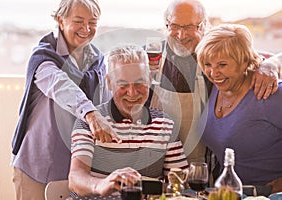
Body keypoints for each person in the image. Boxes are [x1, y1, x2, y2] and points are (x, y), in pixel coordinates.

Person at [147, 0, 279, 167]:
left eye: (189, 27)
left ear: (203, 26)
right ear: (166, 24)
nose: (181, 35)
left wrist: (272, 64)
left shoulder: (215, 53)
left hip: (202, 168)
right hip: (160, 165)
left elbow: (252, 57)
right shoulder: (153, 54)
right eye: (174, 26)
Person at [11, 0, 120, 199]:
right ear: (61, 21)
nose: (86, 29)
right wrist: (91, 114)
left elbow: (106, 99)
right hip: (38, 167)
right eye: (78, 21)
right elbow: (61, 85)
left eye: (92, 22)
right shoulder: (44, 57)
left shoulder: (97, 59)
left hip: (79, 170)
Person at [68, 44, 189, 198]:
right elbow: (75, 179)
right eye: (123, 84)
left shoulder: (166, 125)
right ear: (110, 83)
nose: (132, 93)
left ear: (150, 80)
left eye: (139, 83)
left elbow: (180, 181)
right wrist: (102, 184)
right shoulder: (91, 122)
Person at [196, 23, 282, 194]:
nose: (213, 73)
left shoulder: (270, 93)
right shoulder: (215, 87)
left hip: (267, 195)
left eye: (222, 65)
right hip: (226, 194)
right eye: (208, 64)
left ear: (244, 62)